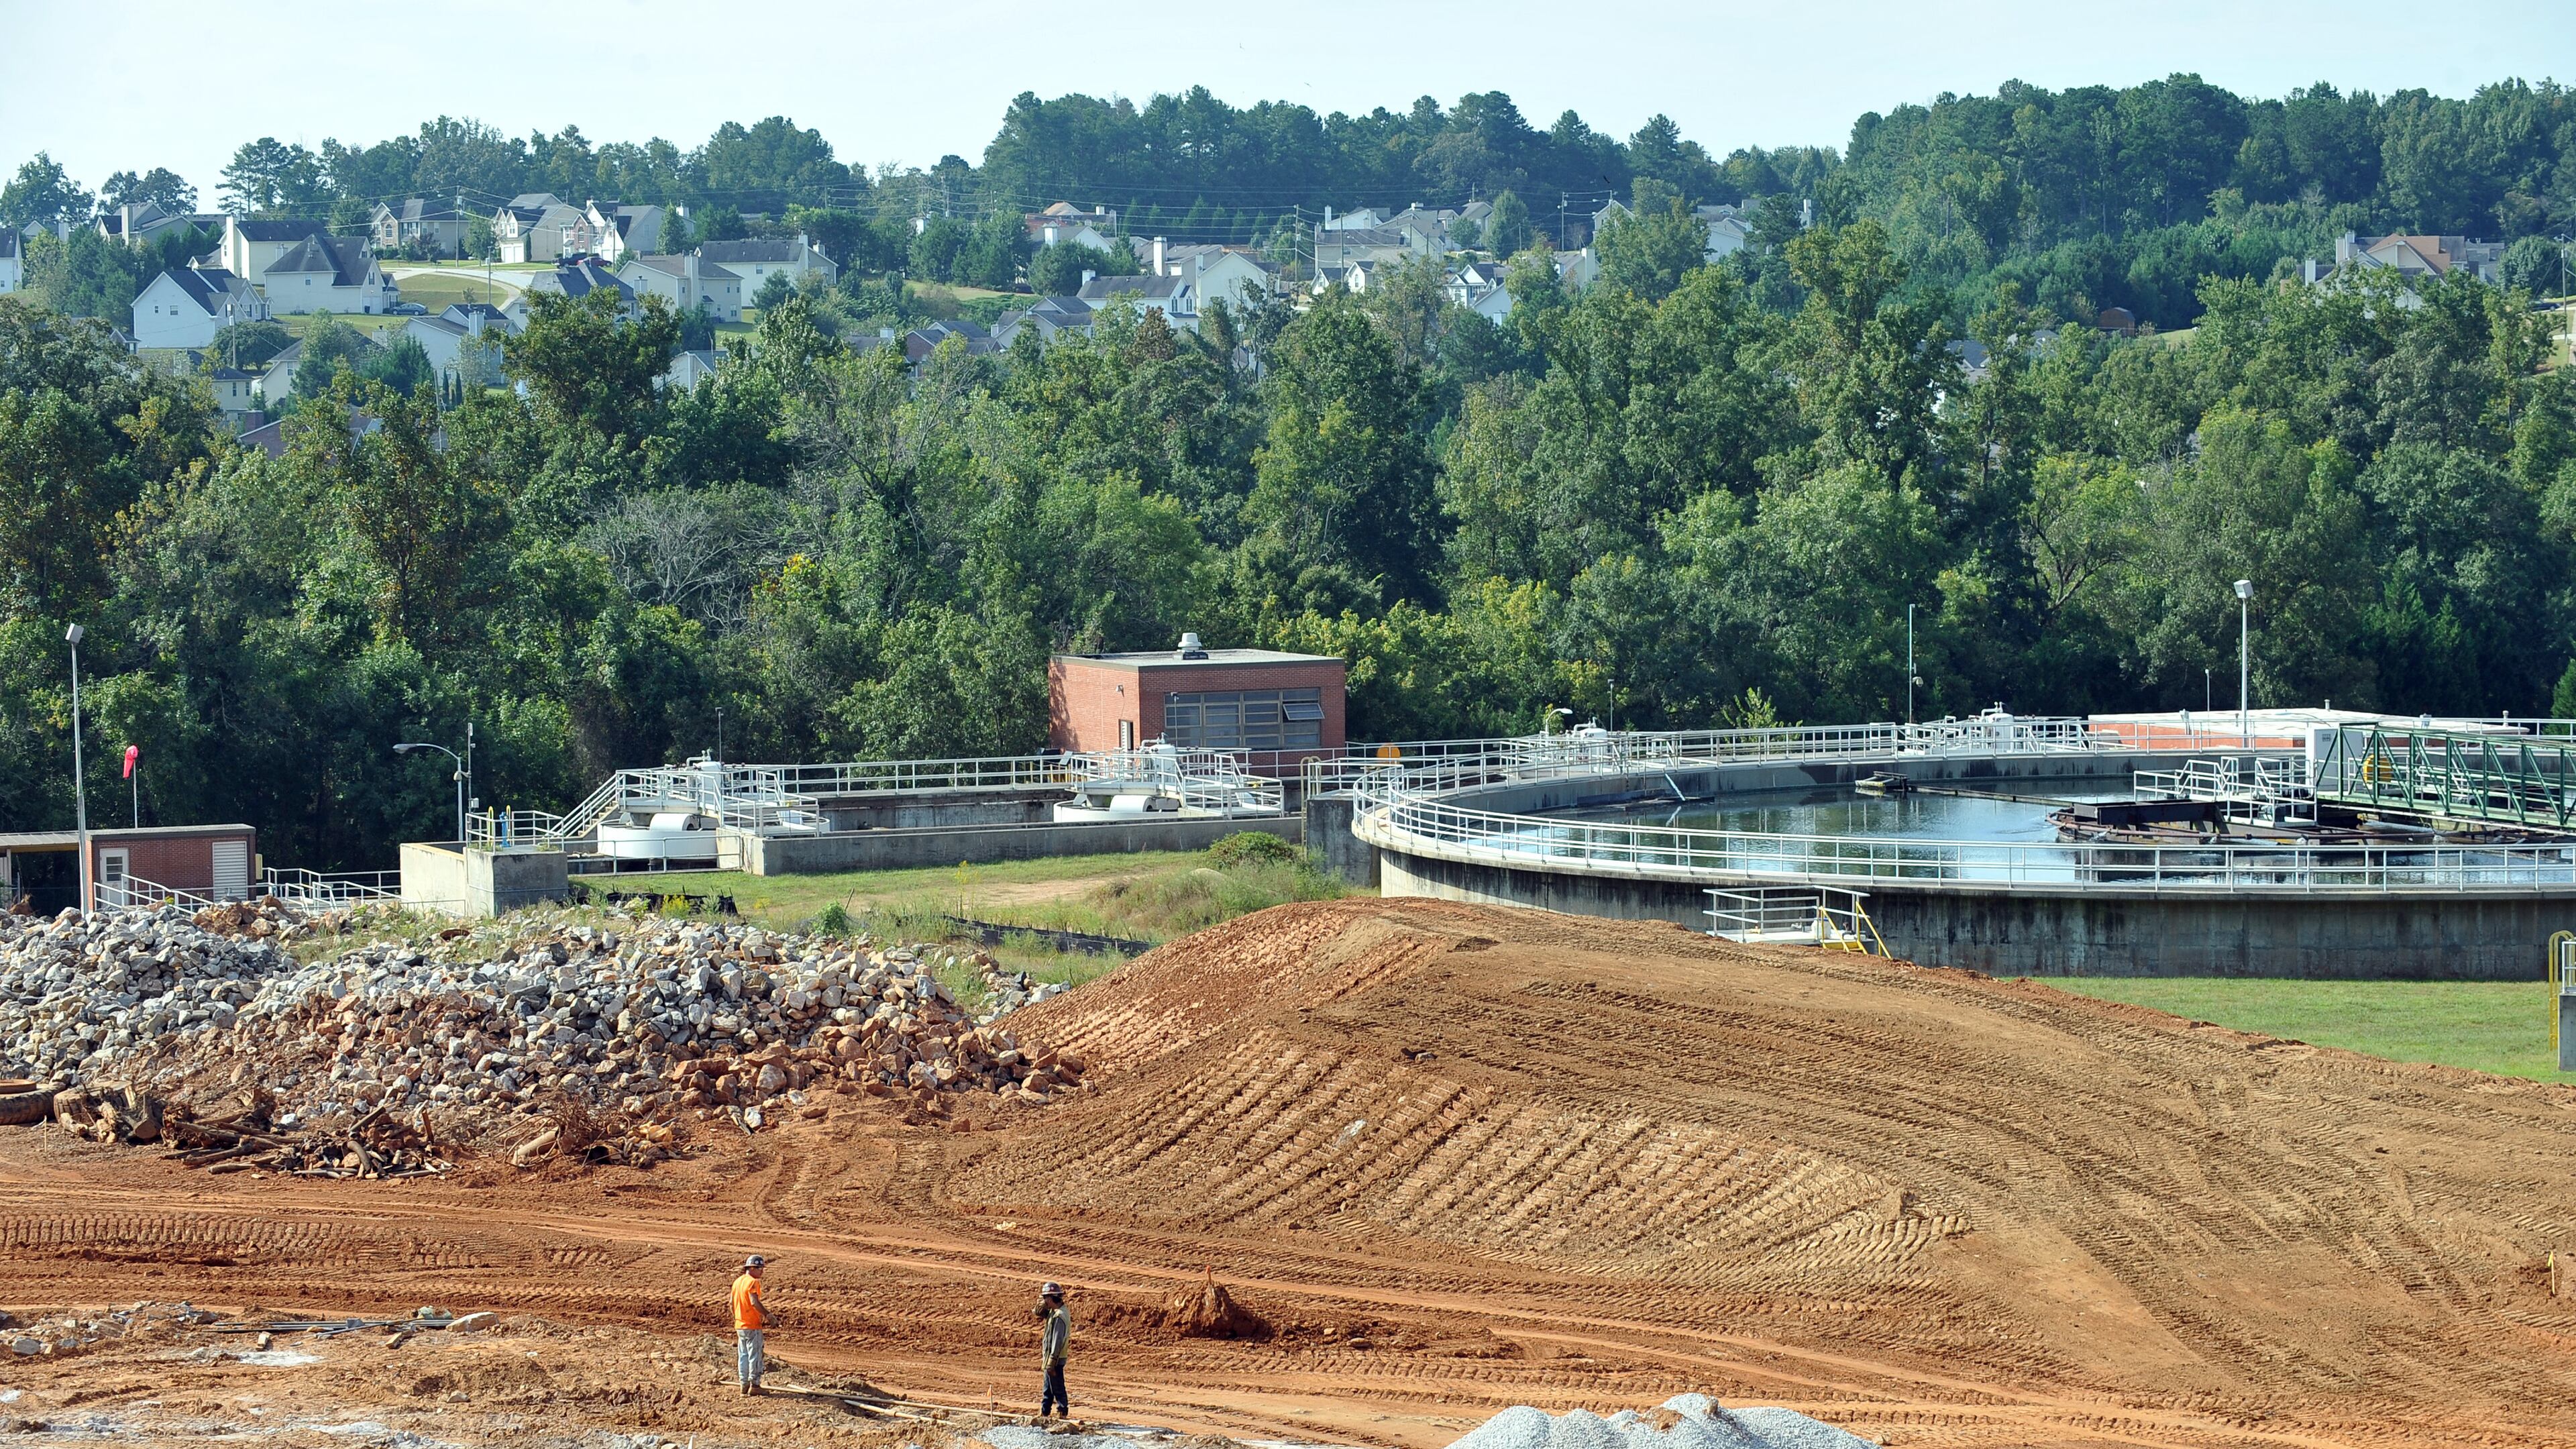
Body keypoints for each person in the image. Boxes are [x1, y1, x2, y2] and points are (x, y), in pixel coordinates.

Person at [732, 1255, 768, 1395]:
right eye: (760, 1268)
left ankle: (744, 1384)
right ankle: (755, 1385)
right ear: (752, 1268)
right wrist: (768, 1315)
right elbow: (754, 1302)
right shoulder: (753, 1282)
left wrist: (737, 1318)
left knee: (743, 1355)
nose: (762, 1272)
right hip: (752, 1325)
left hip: (740, 1325)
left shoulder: (737, 1282)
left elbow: (731, 1303)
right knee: (755, 1355)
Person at [1036, 1281, 1071, 1418]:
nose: (1044, 1300)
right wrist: (1040, 1306)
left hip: (1055, 1358)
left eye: (1045, 1298)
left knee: (1057, 1387)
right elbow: (1038, 1313)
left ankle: (1062, 1412)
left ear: (1050, 1298)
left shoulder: (1059, 1316)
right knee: (1048, 1389)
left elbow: (1057, 1341)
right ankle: (1045, 1412)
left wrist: (1051, 1361)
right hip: (1050, 1357)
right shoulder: (1054, 1312)